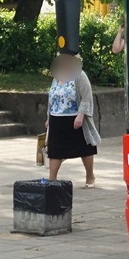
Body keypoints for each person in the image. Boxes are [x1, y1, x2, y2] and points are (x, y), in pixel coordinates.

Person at [45, 53, 100, 187]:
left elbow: (87, 96)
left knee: (85, 148)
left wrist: (81, 115)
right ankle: (52, 179)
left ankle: (90, 176)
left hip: (75, 118)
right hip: (57, 118)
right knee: (54, 150)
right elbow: (52, 97)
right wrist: (48, 118)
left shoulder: (80, 75)